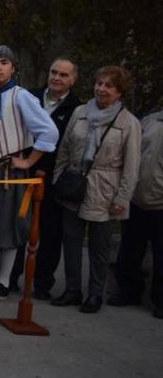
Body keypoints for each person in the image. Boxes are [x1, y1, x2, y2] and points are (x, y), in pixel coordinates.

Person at [52, 66, 140, 313]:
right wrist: (59, 178)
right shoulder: (80, 112)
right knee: (70, 242)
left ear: (120, 92)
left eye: (109, 86)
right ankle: (72, 290)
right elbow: (65, 149)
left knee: (100, 247)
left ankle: (95, 294)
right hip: (73, 184)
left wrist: (122, 197)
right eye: (99, 83)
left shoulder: (128, 123)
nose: (101, 89)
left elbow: (132, 166)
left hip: (105, 189)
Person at [0, 45, 58, 301]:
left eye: (3, 62)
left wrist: (28, 161)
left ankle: (4, 281)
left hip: (8, 169)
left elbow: (49, 132)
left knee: (8, 223)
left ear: (13, 67)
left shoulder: (21, 96)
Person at [23, 57, 82, 299]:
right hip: (23, 170)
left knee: (49, 232)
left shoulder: (78, 108)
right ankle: (10, 275)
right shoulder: (30, 96)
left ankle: (42, 282)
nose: (57, 77)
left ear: (73, 80)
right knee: (19, 225)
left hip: (52, 176)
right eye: (54, 72)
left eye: (64, 75)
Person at [111, 108, 163, 319]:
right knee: (131, 247)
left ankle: (160, 299)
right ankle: (129, 291)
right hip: (137, 196)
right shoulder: (151, 119)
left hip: (160, 201)